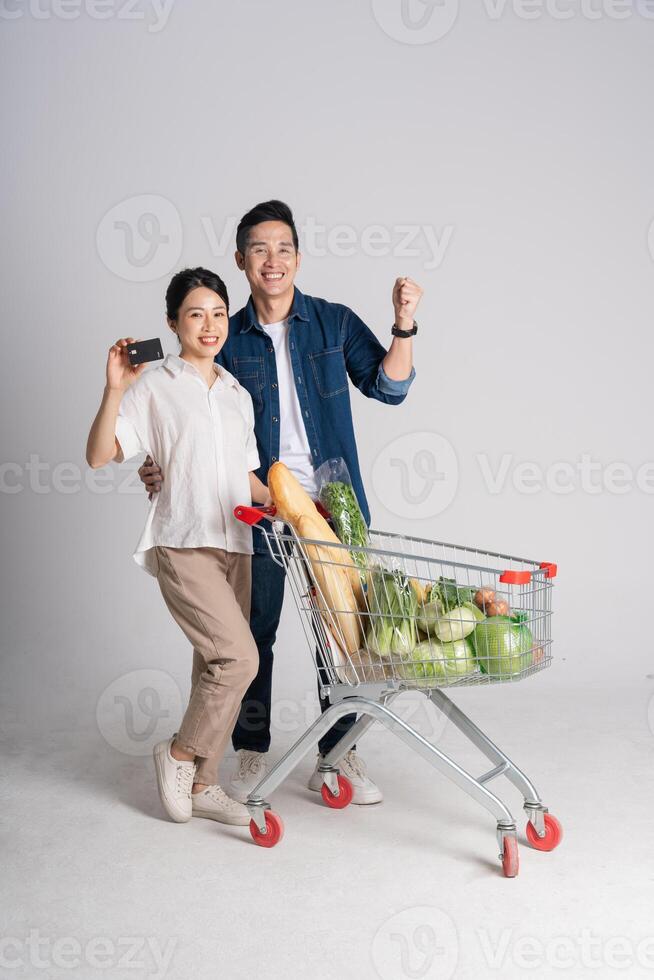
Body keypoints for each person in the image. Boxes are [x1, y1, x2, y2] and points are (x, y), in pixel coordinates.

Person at [139, 200, 423, 805]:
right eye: (260, 250)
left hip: (333, 505)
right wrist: (158, 457)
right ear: (241, 260)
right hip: (260, 509)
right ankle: (250, 750)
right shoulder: (225, 334)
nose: (274, 260)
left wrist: (403, 322)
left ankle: (337, 755)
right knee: (255, 631)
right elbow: (190, 409)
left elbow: (389, 387)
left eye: (284, 248)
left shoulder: (333, 323)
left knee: (341, 635)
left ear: (298, 256)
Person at [86, 268, 272, 827]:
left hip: (236, 544)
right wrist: (116, 385)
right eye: (196, 314)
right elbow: (100, 455)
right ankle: (178, 754)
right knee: (240, 659)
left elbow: (250, 480)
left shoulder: (238, 395)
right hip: (182, 540)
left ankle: (206, 784)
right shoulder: (154, 386)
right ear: (173, 323)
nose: (210, 324)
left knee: (212, 665)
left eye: (218, 313)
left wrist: (298, 507)